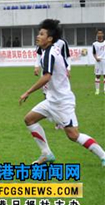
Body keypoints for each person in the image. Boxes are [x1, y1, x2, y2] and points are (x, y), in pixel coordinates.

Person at [19, 19, 105, 167]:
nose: (37, 37)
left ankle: (103, 155)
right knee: (29, 119)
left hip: (62, 101)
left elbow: (47, 76)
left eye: (41, 34)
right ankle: (46, 154)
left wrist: (28, 92)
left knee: (73, 135)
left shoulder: (49, 53)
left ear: (50, 38)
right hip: (52, 100)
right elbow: (62, 69)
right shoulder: (51, 51)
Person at [92, 29, 105, 95]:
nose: (100, 34)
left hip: (104, 60)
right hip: (98, 61)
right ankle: (97, 90)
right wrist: (96, 58)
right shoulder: (94, 44)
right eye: (98, 33)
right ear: (97, 35)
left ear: (103, 34)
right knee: (98, 76)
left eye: (101, 33)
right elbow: (94, 53)